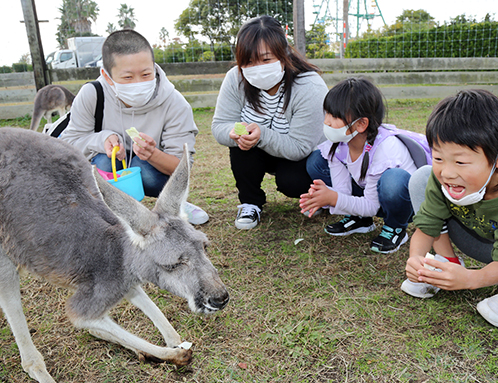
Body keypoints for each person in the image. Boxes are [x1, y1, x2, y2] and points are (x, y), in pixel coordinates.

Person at [60, 29, 208, 225]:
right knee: (104, 162)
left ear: (154, 67)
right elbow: (68, 144)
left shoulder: (175, 103)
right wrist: (102, 139)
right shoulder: (92, 94)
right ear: (106, 75)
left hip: (152, 172)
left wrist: (152, 154)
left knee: (141, 167)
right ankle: (106, 215)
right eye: (128, 77)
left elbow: (181, 168)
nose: (138, 83)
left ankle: (173, 204)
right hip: (107, 169)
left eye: (146, 74)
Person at [211, 15, 329, 230]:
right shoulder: (234, 78)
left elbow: (300, 147)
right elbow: (219, 125)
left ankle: (321, 195)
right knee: (239, 143)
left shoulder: (309, 86)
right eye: (248, 61)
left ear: (283, 55)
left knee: (291, 182)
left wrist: (261, 134)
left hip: (306, 155)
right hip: (264, 149)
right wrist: (235, 132)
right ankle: (250, 203)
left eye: (266, 59)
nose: (257, 68)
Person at [401, 89, 498, 327]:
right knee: (422, 177)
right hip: (480, 242)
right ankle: (447, 263)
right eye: (438, 158)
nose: (447, 172)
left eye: (460, 161)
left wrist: (472, 280)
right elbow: (426, 228)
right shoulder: (442, 178)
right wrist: (417, 260)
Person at [300, 77, 431, 253]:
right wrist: (324, 195)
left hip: (404, 203)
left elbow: (372, 206)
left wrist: (332, 198)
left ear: (361, 124)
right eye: (327, 113)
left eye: (335, 116)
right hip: (373, 195)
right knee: (316, 160)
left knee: (394, 179)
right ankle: (359, 220)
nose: (327, 122)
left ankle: (396, 227)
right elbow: (343, 192)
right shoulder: (338, 144)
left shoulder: (385, 149)